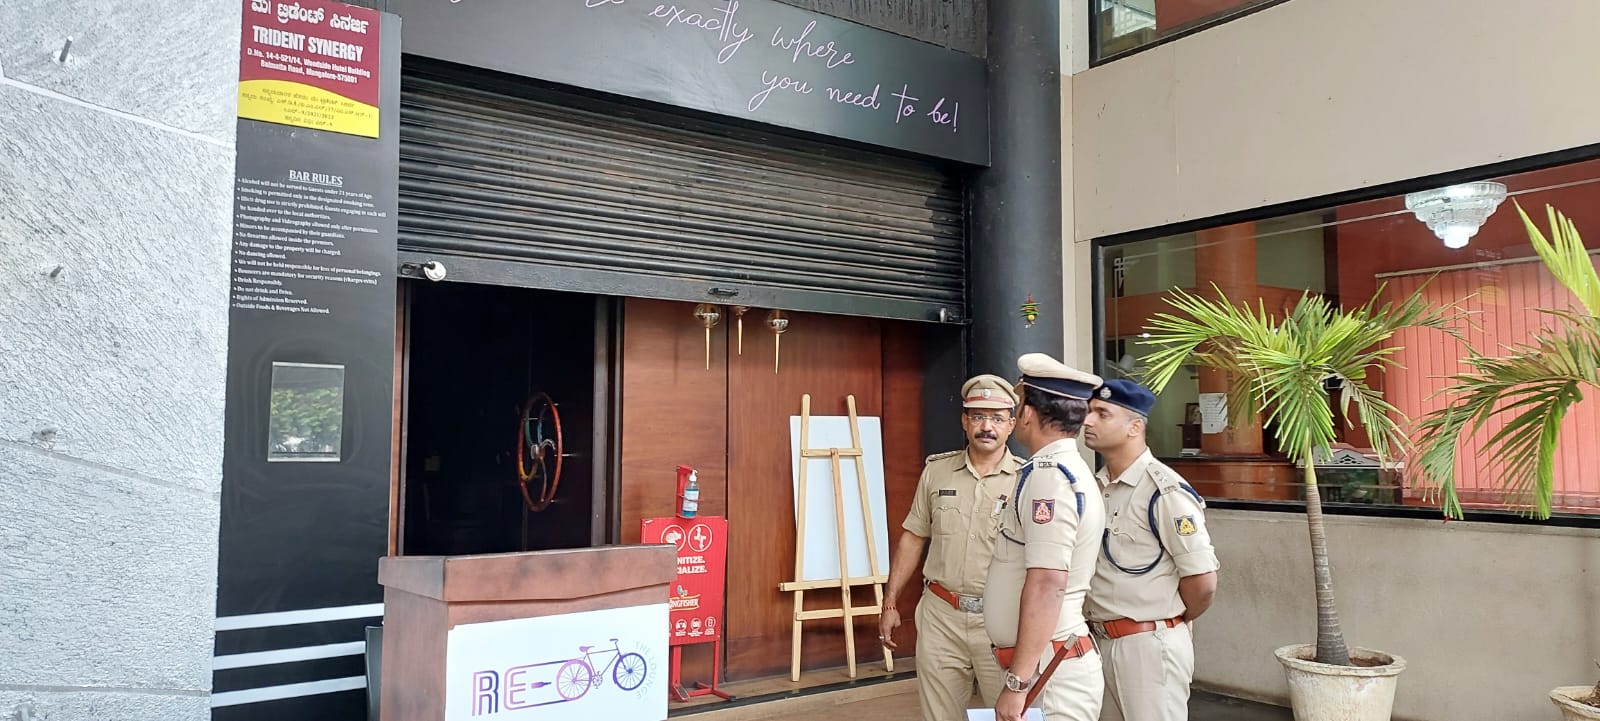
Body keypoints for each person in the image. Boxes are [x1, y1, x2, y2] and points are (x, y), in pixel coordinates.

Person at [880, 374, 1024, 721]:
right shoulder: (937, 471)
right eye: (978, 417)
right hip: (941, 615)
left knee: (1008, 714)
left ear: (1011, 425)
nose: (986, 427)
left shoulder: (1028, 479)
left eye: (997, 418)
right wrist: (890, 602)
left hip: (1002, 620)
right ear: (964, 421)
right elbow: (914, 536)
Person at [1081, 379, 1219, 721]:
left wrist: (1171, 620)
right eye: (1089, 411)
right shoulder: (1097, 486)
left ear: (1134, 427)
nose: (1088, 420)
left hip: (1148, 646)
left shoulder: (1164, 491)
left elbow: (1202, 582)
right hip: (1100, 641)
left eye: (1102, 413)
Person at [983, 353, 1107, 721]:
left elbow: (1048, 583)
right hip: (1045, 666)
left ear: (1026, 413)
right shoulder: (1058, 470)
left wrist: (1017, 683)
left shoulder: (1051, 477)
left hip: (1048, 675)